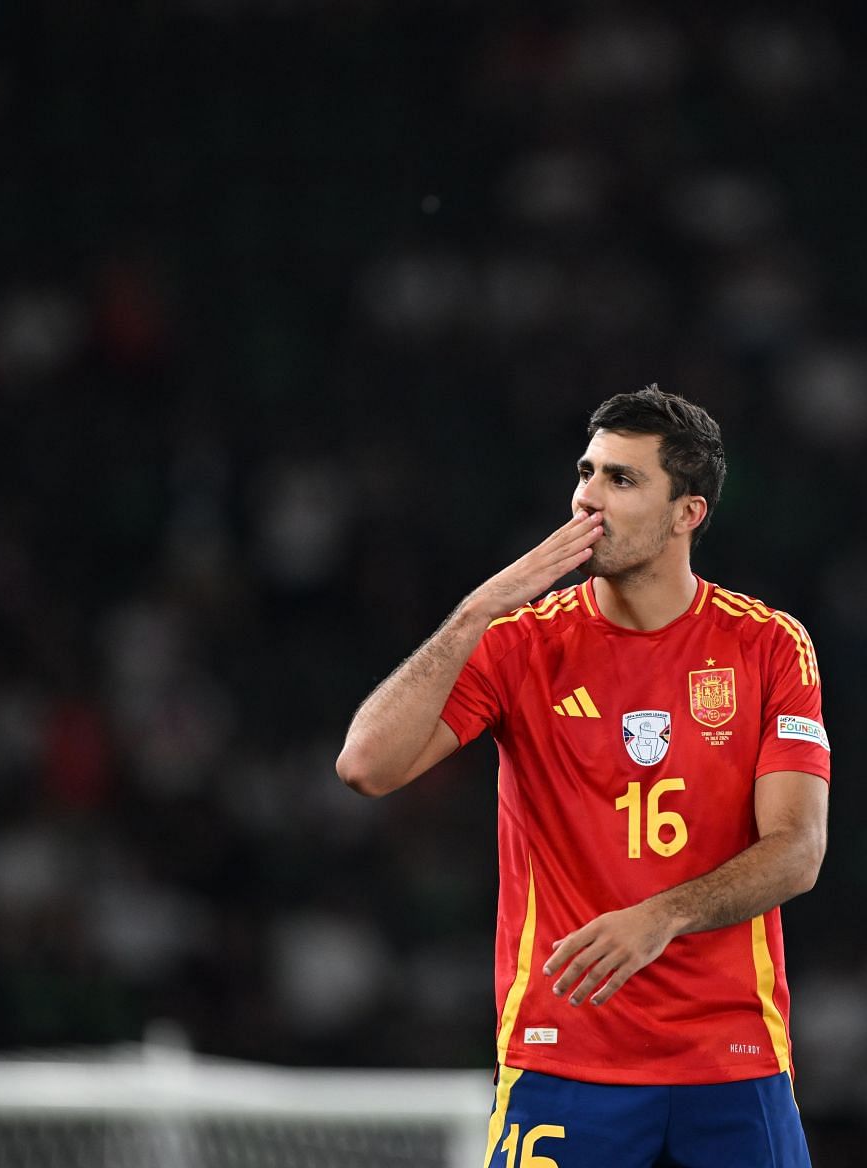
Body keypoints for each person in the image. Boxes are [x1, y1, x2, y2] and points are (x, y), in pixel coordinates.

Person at [338, 385, 831, 1168]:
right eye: (586, 472)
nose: (586, 500)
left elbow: (798, 851)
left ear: (687, 513)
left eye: (621, 480)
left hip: (731, 1060)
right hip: (564, 1055)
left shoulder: (767, 646)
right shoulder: (520, 642)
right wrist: (474, 612)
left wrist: (661, 915)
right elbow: (365, 764)